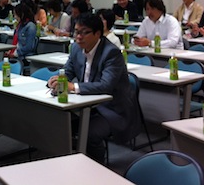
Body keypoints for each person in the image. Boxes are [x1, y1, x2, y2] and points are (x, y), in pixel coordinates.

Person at [47, 14, 139, 163]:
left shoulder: (111, 53)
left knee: (89, 134)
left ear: (97, 34)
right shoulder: (76, 49)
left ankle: (96, 168)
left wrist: (73, 86)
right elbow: (68, 72)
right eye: (76, 32)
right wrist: (58, 79)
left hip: (111, 109)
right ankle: (70, 163)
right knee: (57, 122)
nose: (79, 37)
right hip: (86, 105)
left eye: (84, 32)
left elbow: (106, 85)